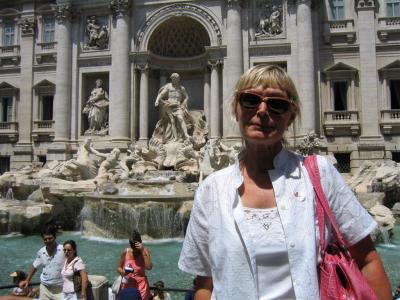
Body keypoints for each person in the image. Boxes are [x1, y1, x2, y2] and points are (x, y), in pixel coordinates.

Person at [178, 65, 392, 299]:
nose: (262, 110)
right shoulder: (211, 189)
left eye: (277, 104)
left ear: (291, 117)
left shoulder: (319, 174)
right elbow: (204, 284)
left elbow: (368, 261)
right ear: (236, 109)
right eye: (250, 100)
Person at [19, 224, 64, 300]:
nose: (47, 241)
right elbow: (34, 266)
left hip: (60, 289)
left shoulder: (63, 249)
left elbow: (74, 262)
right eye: (45, 239)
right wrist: (27, 280)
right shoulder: (41, 251)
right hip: (44, 288)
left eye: (50, 238)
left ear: (55, 237)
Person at [154, 73, 191, 142]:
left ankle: (186, 134)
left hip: (177, 106)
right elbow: (161, 94)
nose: (174, 80)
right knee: (172, 122)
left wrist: (185, 102)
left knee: (180, 118)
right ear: (171, 79)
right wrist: (157, 100)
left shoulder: (181, 88)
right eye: (173, 79)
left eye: (176, 79)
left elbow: (186, 97)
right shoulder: (168, 86)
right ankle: (175, 137)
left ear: (178, 79)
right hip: (169, 105)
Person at [116, 231, 152, 300]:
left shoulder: (145, 252)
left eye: (135, 246)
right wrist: (124, 272)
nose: (133, 249)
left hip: (141, 288)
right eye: (131, 246)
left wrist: (142, 250)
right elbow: (118, 267)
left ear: (140, 242)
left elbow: (149, 267)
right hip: (127, 286)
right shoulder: (125, 252)